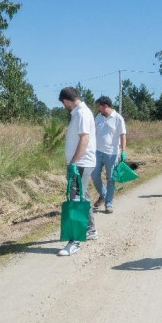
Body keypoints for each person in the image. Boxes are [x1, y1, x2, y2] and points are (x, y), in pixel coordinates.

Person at [58, 87, 98, 257]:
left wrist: (73, 162)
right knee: (84, 196)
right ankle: (90, 229)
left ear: (66, 101)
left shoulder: (81, 113)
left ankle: (74, 241)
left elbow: (85, 139)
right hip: (81, 163)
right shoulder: (81, 112)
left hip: (80, 163)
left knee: (75, 199)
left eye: (63, 104)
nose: (64, 107)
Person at [91, 96, 127, 213]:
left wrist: (123, 151)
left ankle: (108, 204)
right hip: (97, 152)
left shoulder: (118, 118)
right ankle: (103, 194)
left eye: (99, 106)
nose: (98, 108)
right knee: (94, 174)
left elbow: (123, 135)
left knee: (111, 179)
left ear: (105, 105)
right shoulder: (98, 117)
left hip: (112, 154)